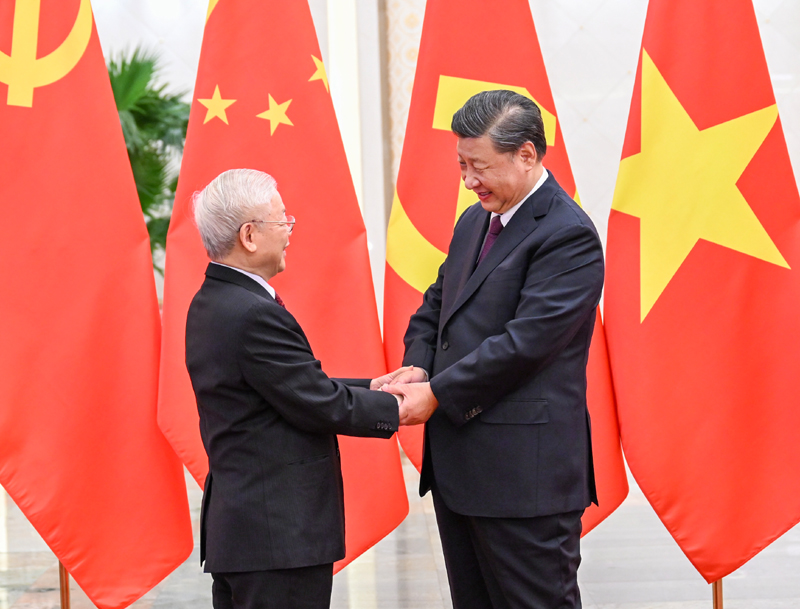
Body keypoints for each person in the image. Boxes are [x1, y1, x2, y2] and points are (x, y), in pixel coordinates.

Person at [378, 90, 604, 608]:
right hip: (461, 472)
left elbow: (524, 345)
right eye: (461, 165)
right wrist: (418, 366)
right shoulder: (475, 221)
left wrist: (437, 393)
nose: (468, 181)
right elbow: (438, 304)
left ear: (526, 154)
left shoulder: (568, 235)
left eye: (478, 166)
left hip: (525, 480)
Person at [185, 168, 401, 609]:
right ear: (249, 235)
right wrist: (400, 406)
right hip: (275, 540)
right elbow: (316, 402)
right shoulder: (252, 313)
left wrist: (373, 386)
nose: (289, 231)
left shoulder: (212, 300)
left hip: (247, 533)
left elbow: (288, 386)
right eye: (282, 220)